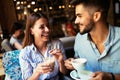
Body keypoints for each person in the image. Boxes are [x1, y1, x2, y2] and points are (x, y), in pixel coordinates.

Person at [64, 0, 120, 80]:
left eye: (80, 16)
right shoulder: (79, 39)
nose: (76, 21)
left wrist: (111, 77)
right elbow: (79, 63)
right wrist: (73, 63)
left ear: (96, 16)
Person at [19, 12, 67, 80]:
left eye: (47, 26)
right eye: (42, 27)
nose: (47, 30)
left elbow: (64, 72)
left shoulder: (57, 44)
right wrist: (37, 73)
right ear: (31, 31)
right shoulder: (25, 53)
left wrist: (61, 61)